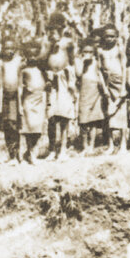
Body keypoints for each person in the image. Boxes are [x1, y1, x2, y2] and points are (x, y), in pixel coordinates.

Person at [43, 13, 77, 158]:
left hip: (64, 80)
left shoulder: (67, 43)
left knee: (64, 116)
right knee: (51, 117)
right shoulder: (46, 43)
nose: (54, 32)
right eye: (51, 29)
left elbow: (72, 61)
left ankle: (62, 148)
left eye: (57, 29)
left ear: (63, 28)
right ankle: (52, 149)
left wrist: (71, 81)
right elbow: (42, 60)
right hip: (51, 82)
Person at [97, 23, 128, 152]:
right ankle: (110, 145)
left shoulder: (119, 49)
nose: (109, 39)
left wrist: (123, 88)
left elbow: (124, 68)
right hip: (106, 82)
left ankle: (123, 144)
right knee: (108, 113)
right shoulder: (100, 51)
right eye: (107, 36)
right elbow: (99, 70)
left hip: (119, 81)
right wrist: (104, 88)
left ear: (116, 37)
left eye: (112, 36)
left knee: (121, 111)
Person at [76, 30, 106, 153]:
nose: (87, 54)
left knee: (93, 120)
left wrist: (103, 89)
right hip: (84, 92)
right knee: (83, 121)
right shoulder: (79, 61)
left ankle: (92, 145)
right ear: (81, 51)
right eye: (85, 52)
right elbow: (78, 74)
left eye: (90, 52)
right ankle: (84, 146)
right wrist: (83, 63)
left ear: (93, 52)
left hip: (95, 92)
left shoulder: (96, 61)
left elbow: (100, 75)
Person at [19, 38, 47, 162]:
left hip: (39, 99)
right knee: (29, 127)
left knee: (38, 127)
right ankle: (31, 152)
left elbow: (46, 84)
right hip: (28, 100)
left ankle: (32, 151)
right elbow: (20, 87)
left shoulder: (41, 69)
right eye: (30, 55)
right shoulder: (23, 70)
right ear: (26, 55)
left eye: (35, 55)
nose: (33, 58)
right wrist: (20, 104)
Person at [0, 32, 23, 163]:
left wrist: (21, 104)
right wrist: (0, 103)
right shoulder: (1, 63)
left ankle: (17, 153)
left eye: (12, 48)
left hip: (15, 97)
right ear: (3, 49)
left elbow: (19, 81)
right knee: (7, 125)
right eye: (7, 48)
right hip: (5, 97)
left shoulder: (18, 62)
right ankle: (11, 154)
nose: (10, 51)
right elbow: (1, 84)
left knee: (14, 124)